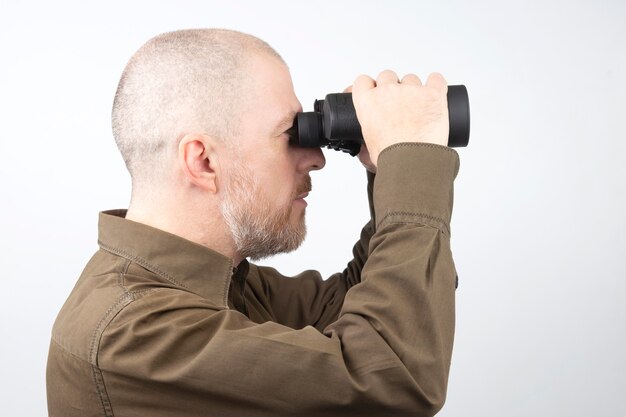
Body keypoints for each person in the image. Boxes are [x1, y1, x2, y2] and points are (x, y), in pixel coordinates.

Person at [46, 29, 460, 416]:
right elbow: (391, 374)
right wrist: (413, 156)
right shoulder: (135, 333)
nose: (316, 158)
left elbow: (356, 306)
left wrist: (389, 162)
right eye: (289, 134)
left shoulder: (204, 284)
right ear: (204, 162)